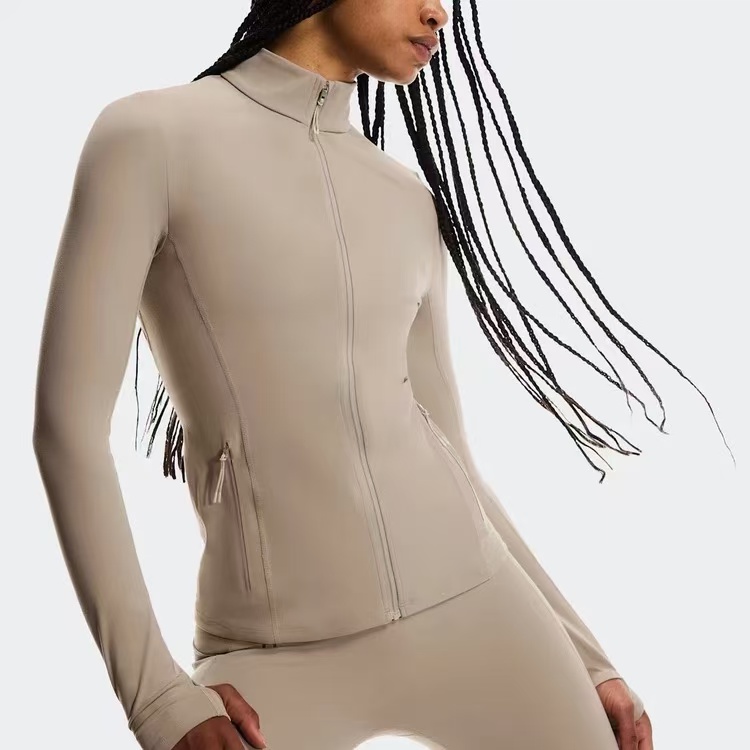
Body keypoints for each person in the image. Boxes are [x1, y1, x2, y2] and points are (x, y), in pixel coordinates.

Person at [36, 1, 733, 749]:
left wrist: (587, 657)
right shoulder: (152, 138)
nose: (438, 12)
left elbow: (453, 454)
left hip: (480, 608)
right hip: (273, 647)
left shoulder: (404, 197)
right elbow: (66, 431)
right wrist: (156, 696)